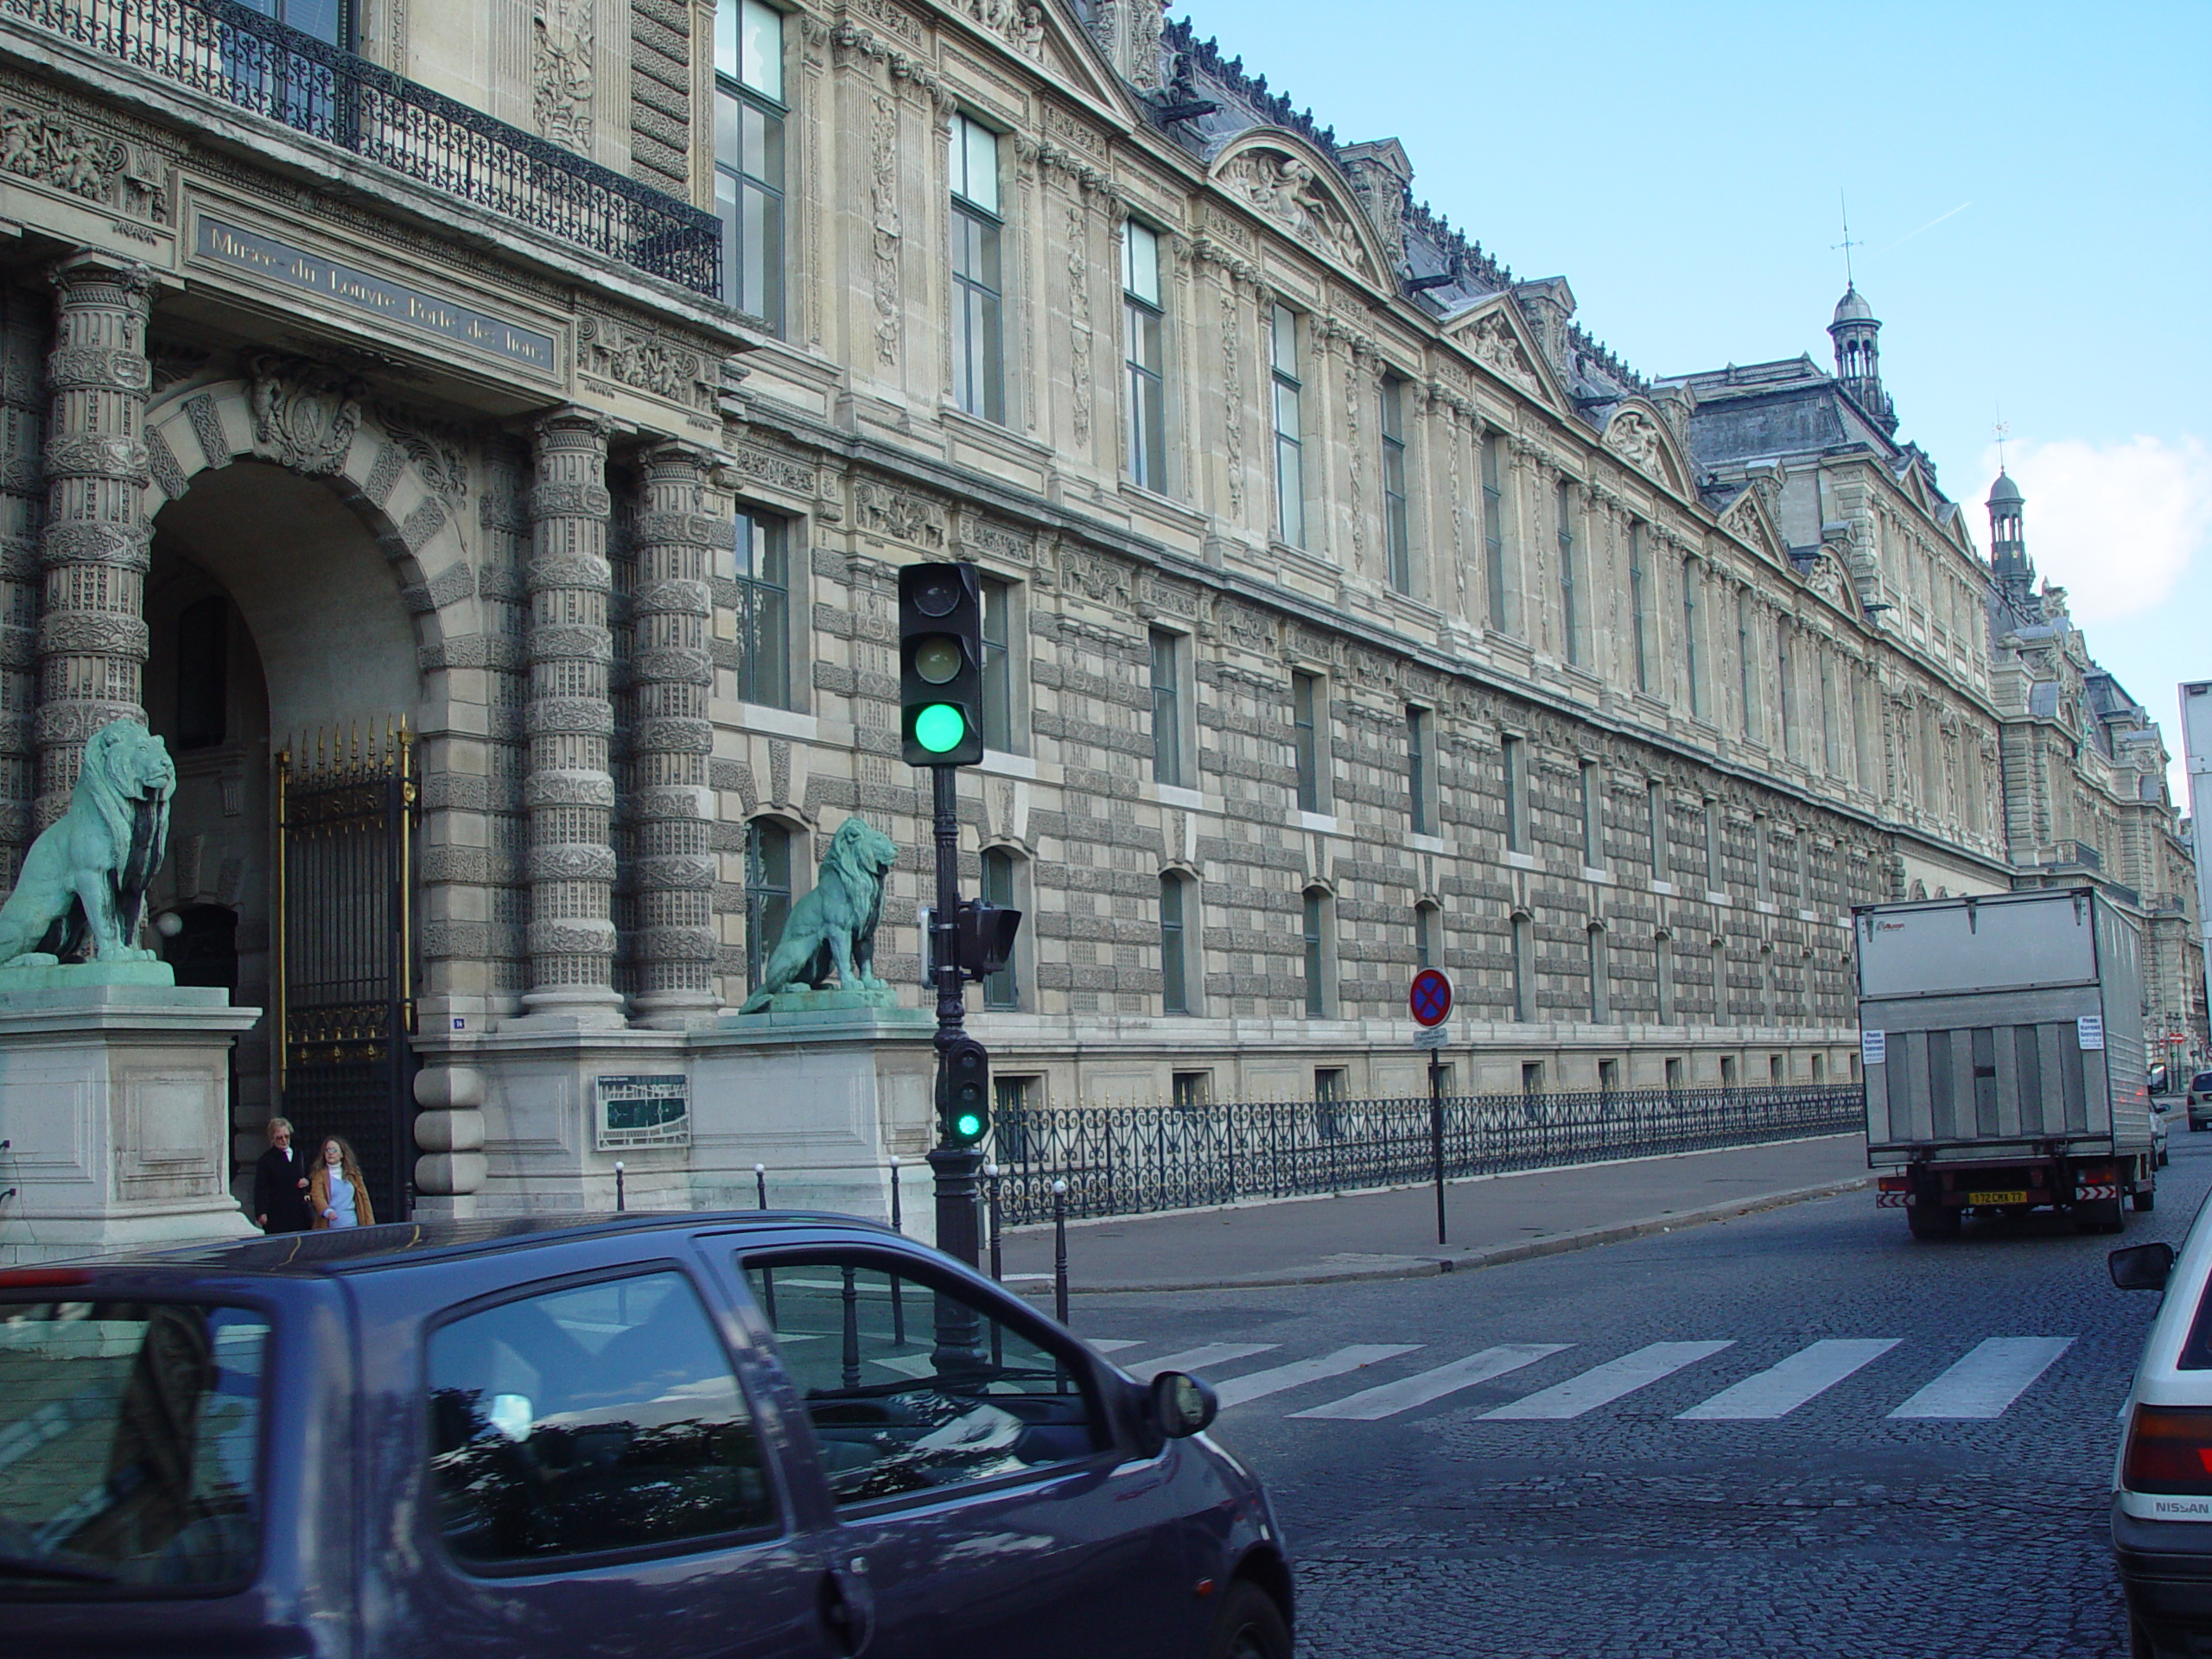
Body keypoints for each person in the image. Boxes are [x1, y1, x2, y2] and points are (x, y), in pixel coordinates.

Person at [251, 1116, 313, 1234]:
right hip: (277, 1211)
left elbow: (312, 1174)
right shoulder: (266, 1160)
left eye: (286, 1136)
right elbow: (261, 1187)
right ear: (272, 1139)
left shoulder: (300, 1155)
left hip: (300, 1211)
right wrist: (261, 1212)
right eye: (279, 1138)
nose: (284, 1140)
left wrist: (307, 1181)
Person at [308, 1136, 375, 1230]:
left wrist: (369, 1223)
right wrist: (326, 1211)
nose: (330, 1153)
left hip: (352, 1224)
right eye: (327, 1150)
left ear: (342, 1154)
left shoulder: (353, 1174)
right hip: (329, 1226)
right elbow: (317, 1195)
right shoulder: (319, 1175)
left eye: (334, 1150)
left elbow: (364, 1199)